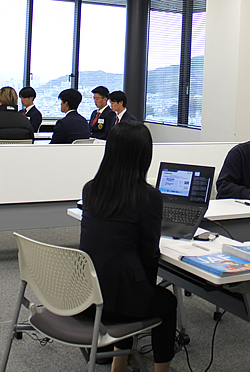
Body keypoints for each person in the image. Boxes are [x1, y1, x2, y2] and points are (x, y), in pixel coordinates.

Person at [79, 121, 177, 372]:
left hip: (84, 297)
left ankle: (118, 364)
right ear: (144, 156)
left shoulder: (91, 189)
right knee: (166, 301)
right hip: (116, 304)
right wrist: (146, 289)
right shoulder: (148, 197)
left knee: (125, 282)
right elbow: (149, 254)